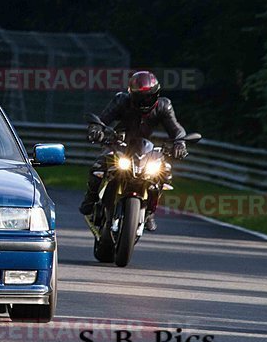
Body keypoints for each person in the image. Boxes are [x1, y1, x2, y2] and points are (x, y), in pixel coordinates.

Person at [79, 71, 188, 231]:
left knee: (164, 173)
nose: (144, 101)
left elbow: (176, 129)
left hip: (147, 149)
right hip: (120, 143)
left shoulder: (164, 106)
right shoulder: (121, 100)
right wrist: (97, 129)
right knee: (98, 167)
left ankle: (150, 211)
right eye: (140, 97)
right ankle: (90, 198)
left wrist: (180, 143)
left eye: (148, 97)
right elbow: (104, 119)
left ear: (156, 94)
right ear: (131, 95)